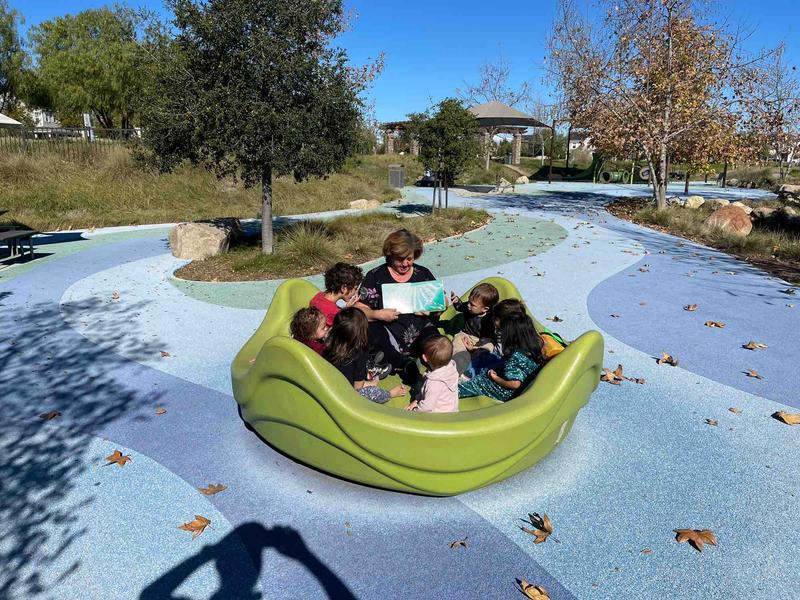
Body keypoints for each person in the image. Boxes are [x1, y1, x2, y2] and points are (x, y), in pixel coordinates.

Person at [355, 229, 441, 382]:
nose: (405, 264)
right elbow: (358, 309)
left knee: (436, 341)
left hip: (421, 329)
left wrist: (430, 309)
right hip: (387, 333)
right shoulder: (376, 275)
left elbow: (441, 303)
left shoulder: (423, 273)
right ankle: (404, 364)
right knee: (371, 330)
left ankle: (439, 372)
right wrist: (378, 314)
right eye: (400, 259)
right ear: (390, 255)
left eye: (409, 258)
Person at [458, 309, 543, 402]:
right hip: (523, 386)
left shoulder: (516, 356)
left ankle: (451, 392)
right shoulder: (534, 346)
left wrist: (495, 378)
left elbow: (515, 384)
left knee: (479, 382)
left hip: (506, 393)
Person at [324, 308, 406, 403]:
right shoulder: (359, 353)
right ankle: (390, 394)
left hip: (329, 383)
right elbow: (357, 388)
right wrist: (369, 384)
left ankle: (370, 367)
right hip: (345, 395)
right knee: (372, 390)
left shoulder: (329, 342)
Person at [449, 282, 500, 374]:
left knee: (489, 346)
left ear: (485, 309)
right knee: (457, 342)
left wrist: (477, 347)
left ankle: (476, 363)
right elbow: (459, 307)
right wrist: (456, 301)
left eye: (472, 304)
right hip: (466, 335)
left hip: (484, 339)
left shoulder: (491, 316)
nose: (468, 305)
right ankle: (458, 364)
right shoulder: (468, 307)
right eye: (468, 301)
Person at [405, 335, 459, 413]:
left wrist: (415, 411)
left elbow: (426, 407)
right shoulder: (451, 368)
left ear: (424, 358)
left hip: (440, 416)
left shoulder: (434, 383)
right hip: (451, 409)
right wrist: (417, 400)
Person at [310, 262, 363, 327]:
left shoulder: (319, 296)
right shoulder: (333, 312)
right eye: (355, 288)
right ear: (344, 288)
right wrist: (349, 310)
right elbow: (343, 328)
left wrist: (346, 308)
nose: (356, 292)